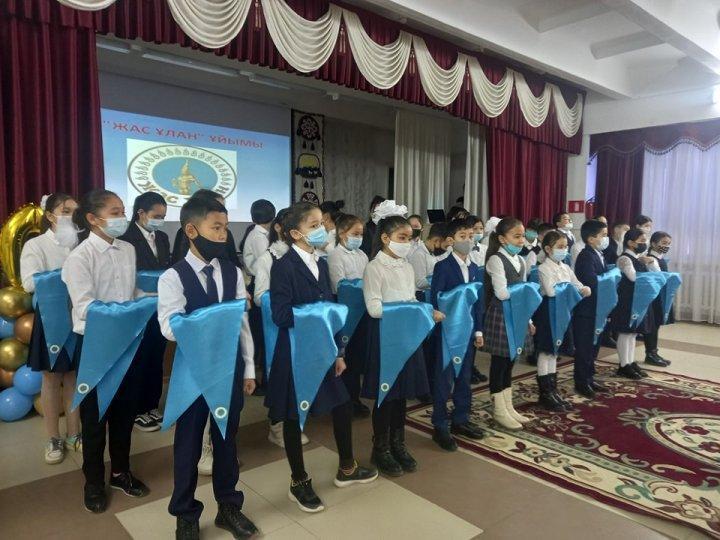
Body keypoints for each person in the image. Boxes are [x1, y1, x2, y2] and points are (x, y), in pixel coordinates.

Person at [158, 196, 258, 540]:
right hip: (193, 374)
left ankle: (229, 506)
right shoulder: (172, 277)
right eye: (216, 228)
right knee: (187, 443)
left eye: (225, 228)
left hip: (229, 369)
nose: (222, 235)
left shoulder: (232, 272)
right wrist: (215, 318)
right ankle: (185, 513)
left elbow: (242, 323)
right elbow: (169, 327)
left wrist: (249, 367)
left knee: (227, 439)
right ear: (191, 230)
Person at [267, 202, 377, 513]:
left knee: (342, 405)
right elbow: (280, 315)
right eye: (314, 225)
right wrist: (317, 314)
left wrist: (338, 351)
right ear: (295, 233)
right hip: (296, 351)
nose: (322, 230)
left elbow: (330, 310)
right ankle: (299, 480)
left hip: (324, 349)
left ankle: (347, 467)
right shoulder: (284, 266)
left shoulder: (320, 262)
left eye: (322, 224)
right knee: (293, 416)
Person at [62, 189, 150, 513]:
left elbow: (130, 291)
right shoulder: (79, 257)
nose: (122, 217)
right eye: (115, 212)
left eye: (122, 210)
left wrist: (152, 299)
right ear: (92, 218)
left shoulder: (127, 249)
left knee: (125, 413)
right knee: (95, 418)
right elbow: (86, 307)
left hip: (127, 343)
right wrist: (126, 311)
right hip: (96, 346)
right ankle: (93, 482)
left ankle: (120, 472)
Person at [362, 205, 444, 476]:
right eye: (401, 238)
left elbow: (410, 299)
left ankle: (398, 442)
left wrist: (425, 310)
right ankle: (380, 447)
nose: (407, 243)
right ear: (385, 238)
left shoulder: (407, 267)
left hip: (407, 335)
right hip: (386, 337)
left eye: (409, 238)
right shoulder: (375, 267)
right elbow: (374, 308)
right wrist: (414, 310)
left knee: (402, 395)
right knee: (386, 394)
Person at [21, 193, 81, 464]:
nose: (71, 215)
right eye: (65, 210)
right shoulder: (36, 245)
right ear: (49, 215)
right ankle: (53, 437)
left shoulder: (81, 242)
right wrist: (68, 274)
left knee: (73, 377)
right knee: (51, 379)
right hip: (50, 319)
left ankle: (74, 433)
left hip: (77, 317)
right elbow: (29, 283)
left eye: (74, 211)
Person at [429, 219, 485, 451]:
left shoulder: (474, 267)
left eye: (471, 236)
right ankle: (440, 424)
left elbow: (477, 302)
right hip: (448, 332)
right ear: (451, 240)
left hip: (468, 331)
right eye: (463, 236)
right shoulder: (443, 266)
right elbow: (437, 298)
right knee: (445, 378)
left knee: (464, 377)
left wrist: (478, 330)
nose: (468, 240)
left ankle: (461, 418)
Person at [120, 192, 171, 433]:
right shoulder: (125, 238)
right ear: (141, 213)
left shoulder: (162, 237)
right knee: (137, 360)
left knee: (156, 357)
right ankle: (136, 410)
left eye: (163, 216)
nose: (160, 221)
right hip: (136, 309)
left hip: (159, 307)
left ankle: (151, 405)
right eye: (156, 216)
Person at [483, 217, 535, 430]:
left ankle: (508, 406)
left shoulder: (521, 260)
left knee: (511, 361)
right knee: (500, 362)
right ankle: (498, 410)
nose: (522, 240)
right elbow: (502, 293)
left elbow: (524, 292)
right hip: (501, 315)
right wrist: (525, 291)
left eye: (523, 236)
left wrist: (529, 319)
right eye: (516, 236)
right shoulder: (495, 260)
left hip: (518, 315)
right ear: (503, 239)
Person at [534, 231, 590, 410]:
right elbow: (551, 291)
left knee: (555, 352)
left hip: (564, 311)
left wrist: (584, 288)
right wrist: (570, 289)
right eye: (560, 247)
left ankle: (553, 389)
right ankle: (545, 393)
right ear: (548, 249)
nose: (564, 250)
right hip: (548, 312)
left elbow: (576, 283)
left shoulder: (565, 267)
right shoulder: (543, 268)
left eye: (566, 247)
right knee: (546, 351)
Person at [328, 213, 371, 418]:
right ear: (342, 233)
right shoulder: (336, 255)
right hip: (345, 311)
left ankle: (354, 398)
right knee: (344, 355)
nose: (359, 238)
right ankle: (342, 400)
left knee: (357, 357)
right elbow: (339, 285)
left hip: (362, 310)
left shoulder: (362, 255)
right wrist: (360, 286)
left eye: (361, 234)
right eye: (355, 234)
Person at [610, 228, 661, 380]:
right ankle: (623, 365)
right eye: (642, 241)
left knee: (632, 333)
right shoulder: (624, 259)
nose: (645, 244)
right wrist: (647, 272)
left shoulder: (640, 258)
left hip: (638, 300)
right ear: (631, 243)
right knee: (625, 333)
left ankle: (630, 362)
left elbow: (657, 275)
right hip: (627, 300)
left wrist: (651, 262)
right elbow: (633, 277)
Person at [407, 222, 449, 396]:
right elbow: (419, 281)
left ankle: (432, 383)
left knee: (433, 347)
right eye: (444, 245)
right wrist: (438, 281)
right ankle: (422, 388)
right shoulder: (419, 254)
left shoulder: (436, 254)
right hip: (421, 298)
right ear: (436, 240)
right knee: (423, 346)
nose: (445, 249)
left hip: (433, 298)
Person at [572, 219, 612, 398]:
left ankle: (589, 377)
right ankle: (581, 382)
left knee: (594, 346)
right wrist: (610, 279)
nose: (606, 238)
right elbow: (591, 281)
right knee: (584, 347)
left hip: (598, 308)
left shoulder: (598, 254)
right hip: (586, 310)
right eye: (603, 235)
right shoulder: (586, 256)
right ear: (590, 239)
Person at [644, 231, 674, 367]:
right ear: (653, 243)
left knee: (656, 325)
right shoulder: (650, 258)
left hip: (660, 295)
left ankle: (654, 352)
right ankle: (650, 353)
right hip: (653, 297)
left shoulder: (660, 258)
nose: (666, 246)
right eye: (663, 243)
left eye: (668, 244)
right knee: (652, 325)